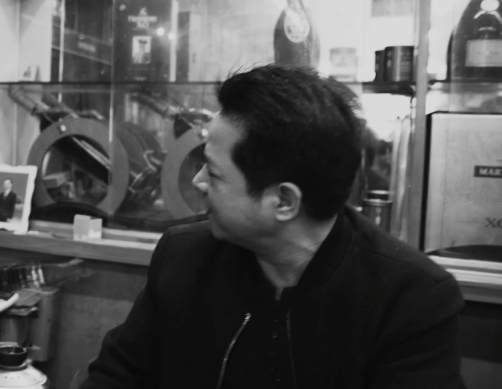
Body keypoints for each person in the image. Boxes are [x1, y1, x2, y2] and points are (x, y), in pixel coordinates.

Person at [81, 65, 464, 389]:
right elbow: (115, 378)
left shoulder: (411, 299)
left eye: (213, 173)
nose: (197, 181)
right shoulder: (182, 257)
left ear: (283, 201)